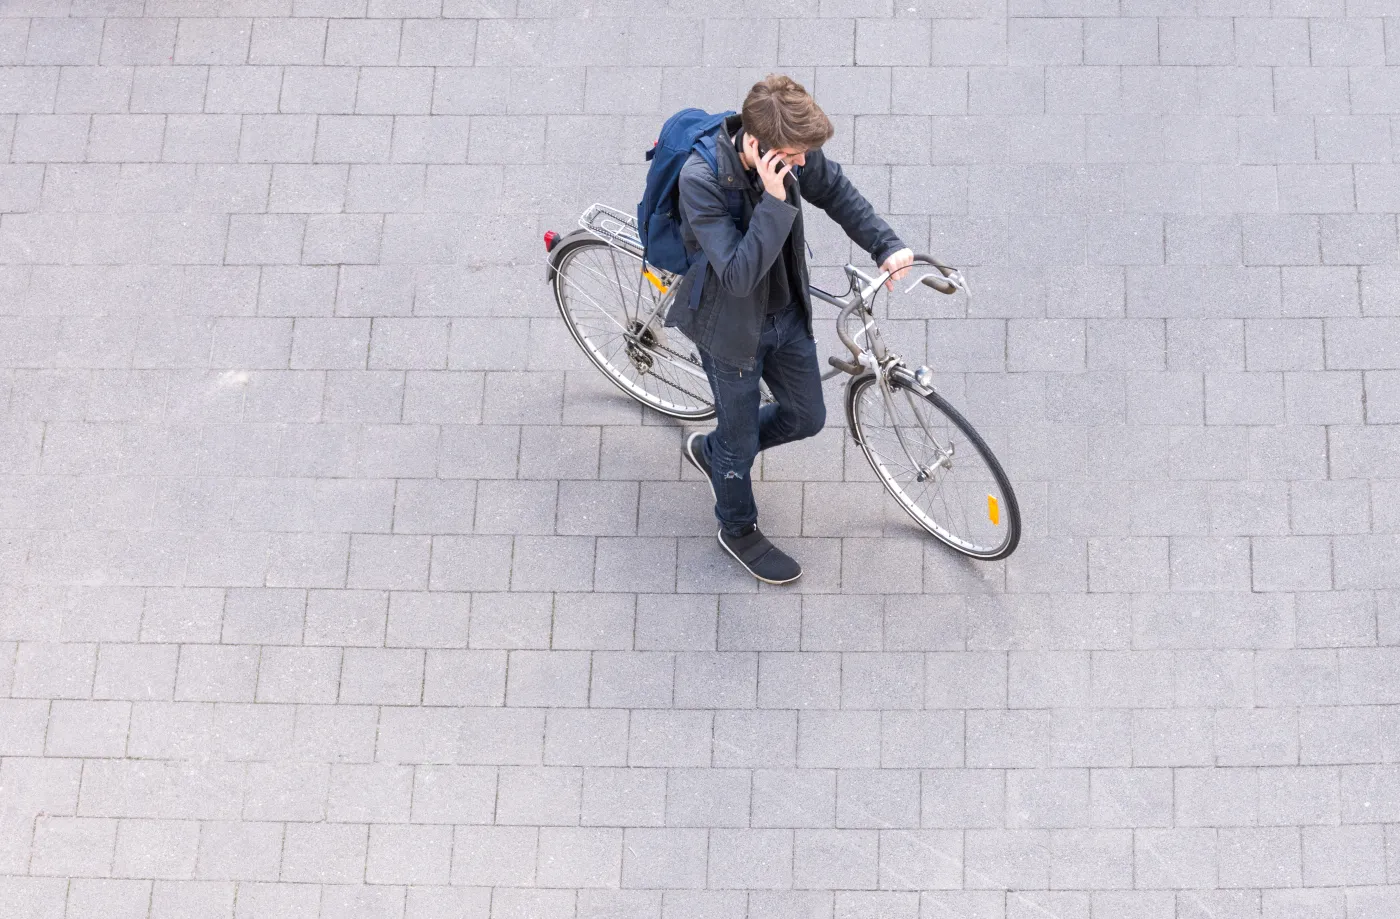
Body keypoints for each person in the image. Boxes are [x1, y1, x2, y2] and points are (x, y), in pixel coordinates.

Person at [669, 74, 914, 584]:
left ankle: (715, 453)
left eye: (805, 155)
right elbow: (737, 275)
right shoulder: (702, 180)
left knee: (806, 416)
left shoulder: (791, 153)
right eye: (794, 155)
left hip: (785, 316)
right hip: (731, 332)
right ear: (756, 145)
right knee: (739, 442)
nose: (802, 164)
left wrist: (885, 246)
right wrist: (776, 203)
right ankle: (735, 527)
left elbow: (837, 191)